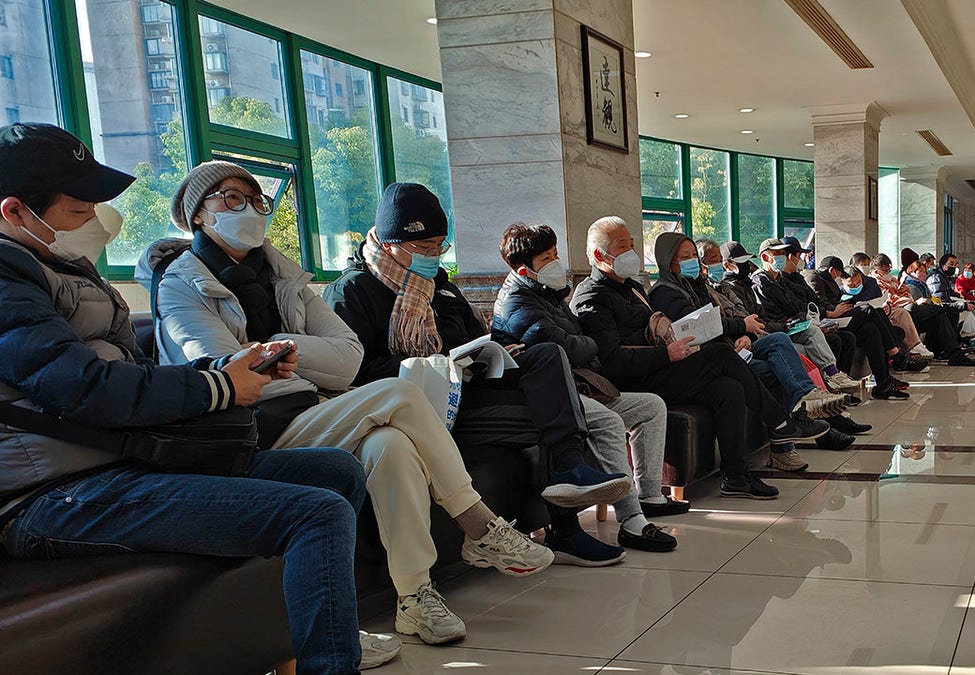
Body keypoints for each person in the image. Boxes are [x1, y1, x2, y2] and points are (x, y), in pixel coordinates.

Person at [0, 123, 397, 673]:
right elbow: (82, 387)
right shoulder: (7, 275)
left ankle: (300, 635)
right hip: (50, 495)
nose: (93, 220)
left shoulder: (62, 267)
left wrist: (225, 368)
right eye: (77, 210)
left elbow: (130, 373)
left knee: (336, 471)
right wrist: (219, 384)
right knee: (316, 511)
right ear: (15, 211)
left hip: (115, 462)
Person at [146, 170, 555, 648]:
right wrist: (279, 357)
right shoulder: (181, 285)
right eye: (232, 199)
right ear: (197, 213)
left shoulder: (286, 279)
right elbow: (227, 372)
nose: (251, 209)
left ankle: (414, 596)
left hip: (309, 408)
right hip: (245, 426)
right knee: (399, 392)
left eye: (257, 199)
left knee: (392, 445)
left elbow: (347, 357)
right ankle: (477, 523)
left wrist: (279, 348)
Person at [320, 184, 639, 568]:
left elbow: (476, 337)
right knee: (549, 415)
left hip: (470, 389)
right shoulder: (352, 291)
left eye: (440, 245)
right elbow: (353, 370)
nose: (434, 256)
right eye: (424, 248)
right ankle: (566, 529)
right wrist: (437, 365)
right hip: (421, 408)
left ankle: (570, 470)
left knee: (546, 357)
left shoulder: (441, 287)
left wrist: (497, 352)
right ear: (391, 244)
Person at [572, 217, 822, 500]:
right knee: (720, 354)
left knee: (729, 389)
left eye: (632, 244)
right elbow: (611, 362)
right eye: (623, 246)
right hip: (636, 381)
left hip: (660, 366)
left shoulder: (631, 288)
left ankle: (735, 475)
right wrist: (666, 353)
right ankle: (780, 423)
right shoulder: (591, 296)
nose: (632, 252)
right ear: (598, 255)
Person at [490, 222, 685, 553]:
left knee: (650, 406)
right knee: (608, 421)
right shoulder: (518, 303)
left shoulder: (547, 294)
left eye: (555, 254)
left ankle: (649, 493)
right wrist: (585, 344)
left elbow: (578, 342)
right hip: (552, 395)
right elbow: (573, 346)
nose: (556, 263)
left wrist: (582, 344)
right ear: (525, 269)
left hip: (581, 384)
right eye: (546, 258)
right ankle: (632, 521)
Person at [648, 232, 858, 461]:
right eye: (685, 257)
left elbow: (744, 316)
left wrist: (744, 333)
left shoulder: (696, 287)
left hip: (737, 343)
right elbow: (699, 327)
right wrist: (742, 327)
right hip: (710, 357)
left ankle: (805, 398)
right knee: (774, 367)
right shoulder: (666, 291)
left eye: (693, 257)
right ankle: (787, 442)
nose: (693, 263)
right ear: (668, 260)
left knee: (780, 342)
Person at [742, 239, 862, 384]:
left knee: (816, 331)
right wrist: (791, 321)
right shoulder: (760, 282)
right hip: (777, 330)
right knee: (826, 336)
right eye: (777, 253)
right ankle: (827, 380)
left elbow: (797, 306)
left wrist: (800, 319)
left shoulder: (780, 279)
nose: (783, 257)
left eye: (783, 253)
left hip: (791, 325)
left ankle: (834, 375)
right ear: (765, 257)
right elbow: (771, 315)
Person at [803, 254, 920, 399]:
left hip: (839, 315)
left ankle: (883, 384)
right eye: (838, 275)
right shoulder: (814, 278)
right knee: (869, 310)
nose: (838, 278)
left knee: (870, 329)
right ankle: (896, 355)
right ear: (832, 270)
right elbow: (819, 303)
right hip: (830, 319)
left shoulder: (828, 281)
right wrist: (833, 311)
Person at [926, 252, 975, 338]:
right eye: (951, 264)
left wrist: (959, 296)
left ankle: (968, 335)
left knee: (970, 305)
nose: (953, 267)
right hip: (939, 306)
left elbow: (948, 291)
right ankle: (968, 335)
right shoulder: (936, 278)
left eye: (955, 264)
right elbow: (941, 299)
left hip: (946, 302)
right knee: (964, 309)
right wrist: (962, 305)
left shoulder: (943, 276)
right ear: (943, 264)